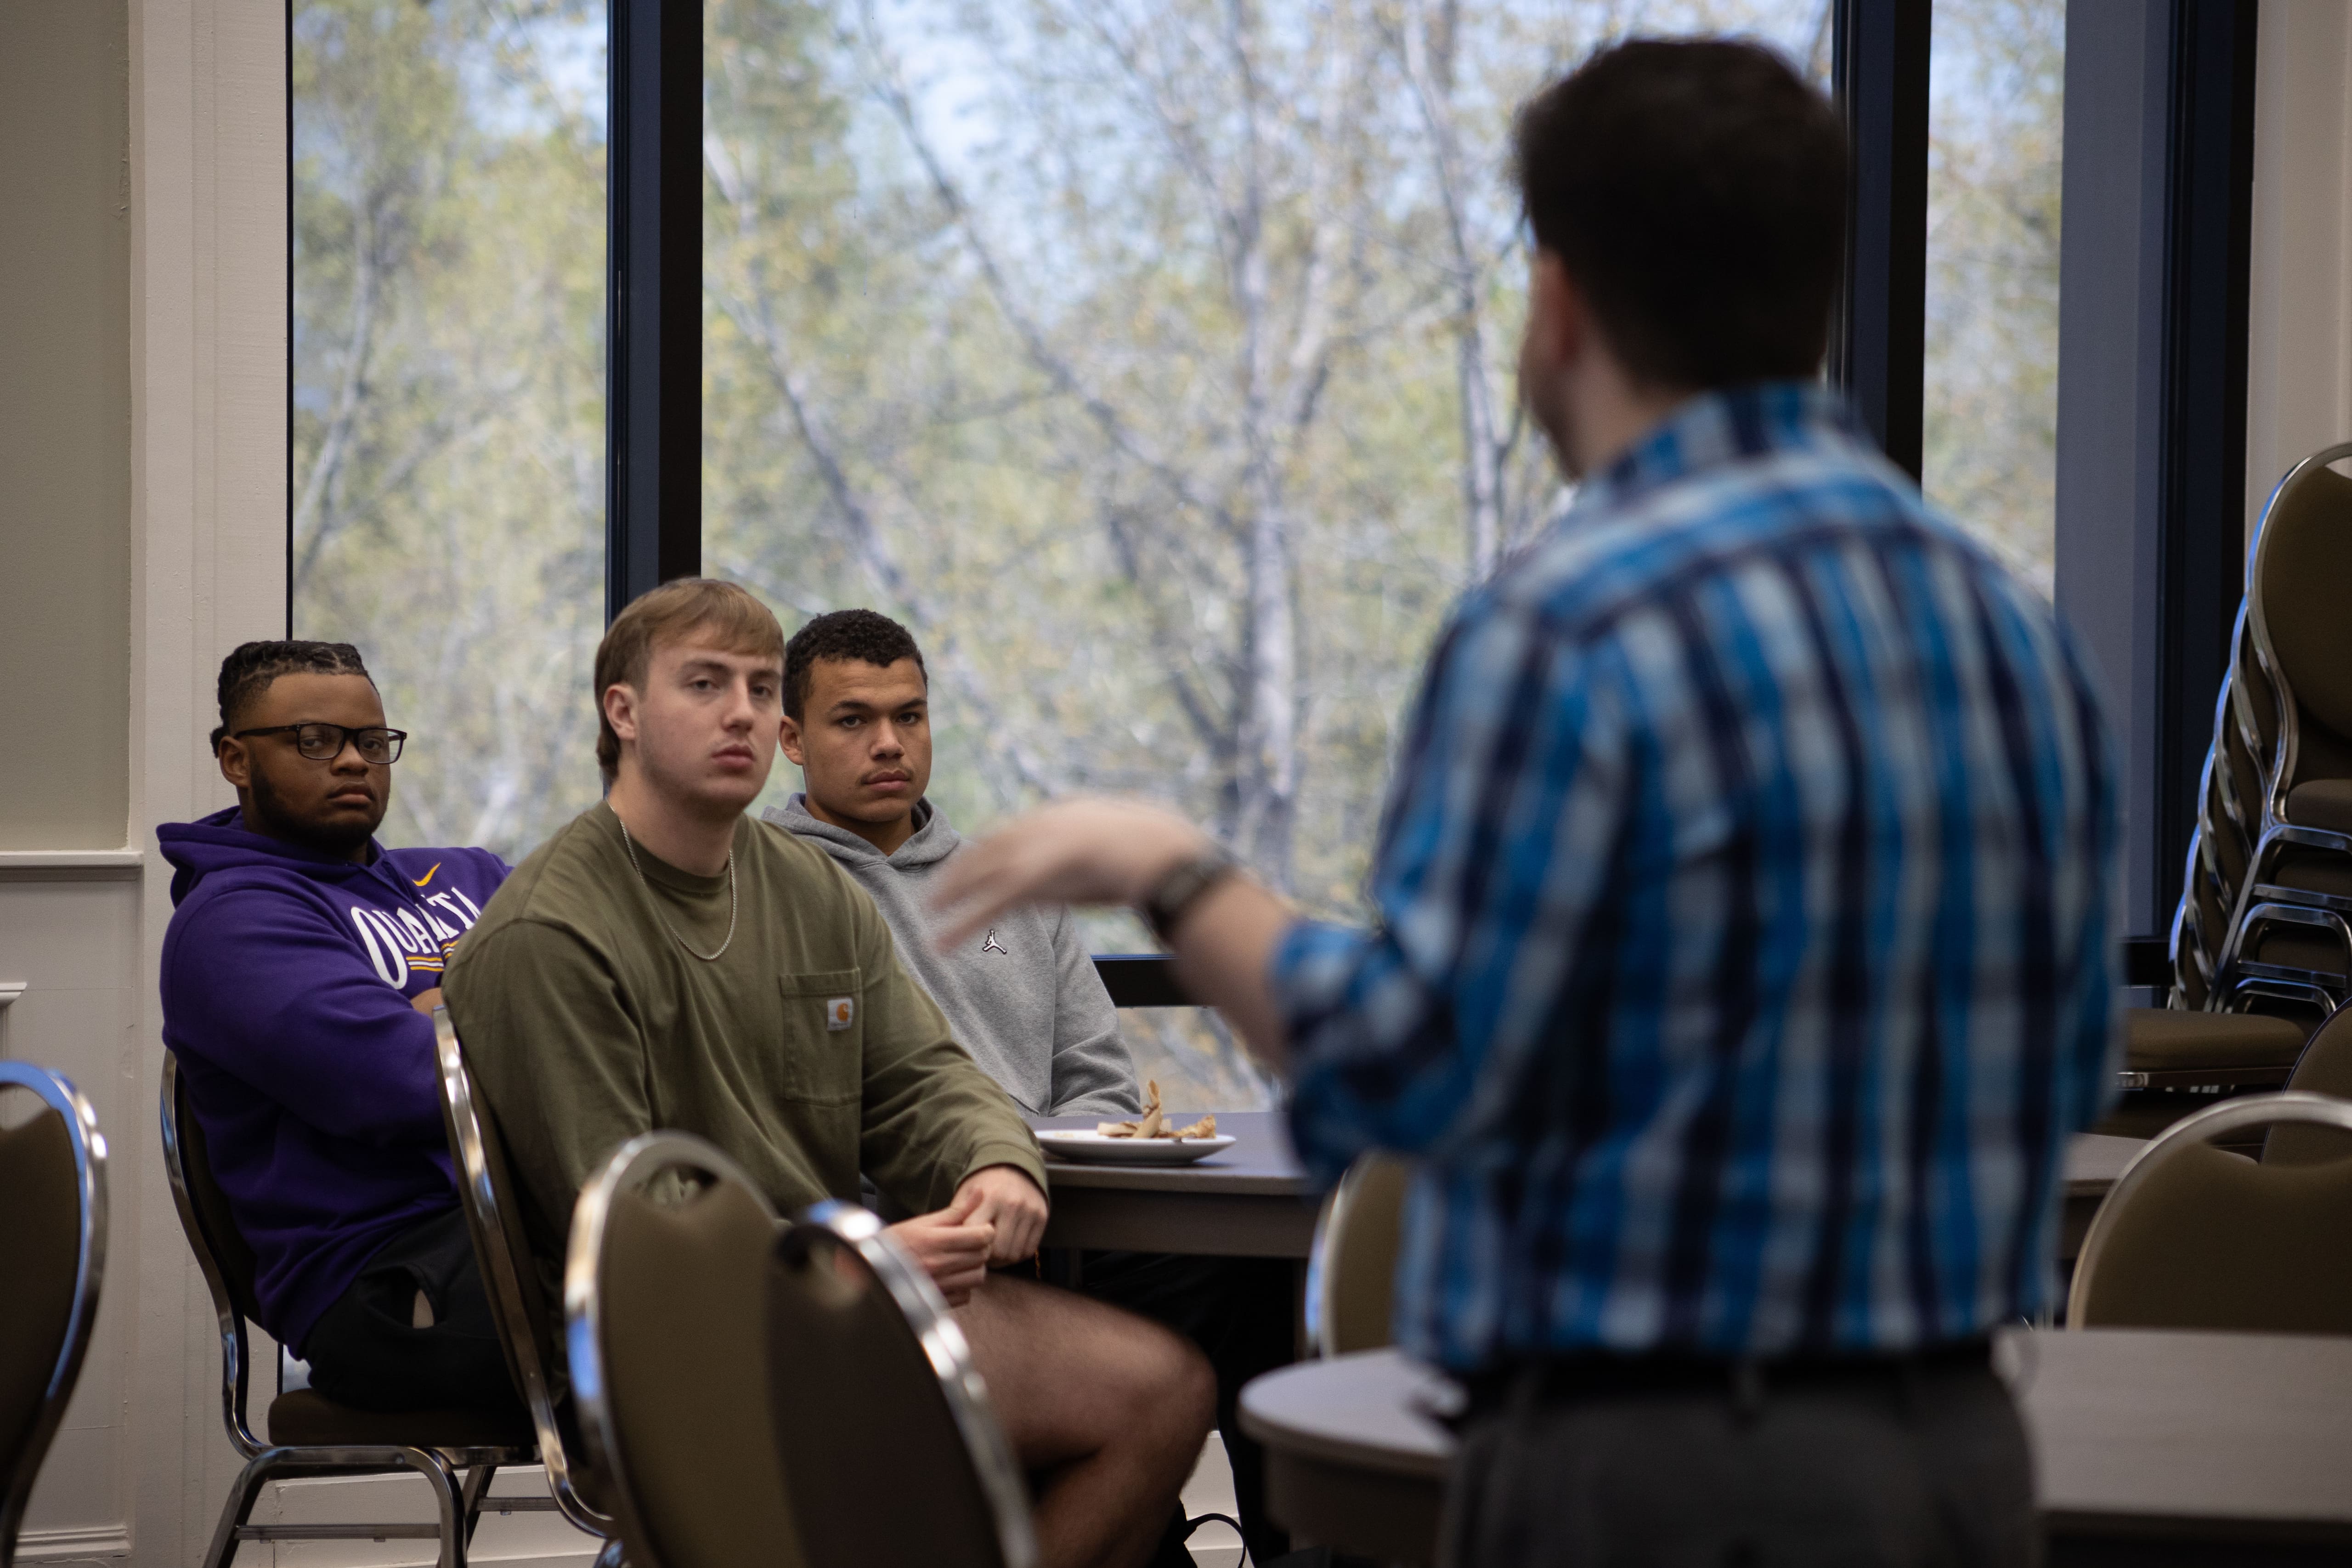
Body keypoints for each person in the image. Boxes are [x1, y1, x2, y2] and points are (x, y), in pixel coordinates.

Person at [931, 38, 2119, 1568]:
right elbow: (2076, 1054)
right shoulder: (2012, 633)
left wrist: (1171, 871)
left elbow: (1408, 1069)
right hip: (1961, 1459)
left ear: (1557, 304)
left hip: (1648, 1481)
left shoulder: (1565, 629)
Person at [443, 578, 1213, 1568]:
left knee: (1174, 1369)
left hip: (825, 1303)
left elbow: (921, 1074)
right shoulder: (550, 931)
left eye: (762, 690)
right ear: (623, 713)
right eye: (706, 684)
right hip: (687, 1356)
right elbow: (640, 1236)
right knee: (1155, 1390)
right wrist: (853, 1264)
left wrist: (993, 1160)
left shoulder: (801, 882)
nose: (742, 715)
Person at [764, 607, 1299, 1566]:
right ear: (792, 741)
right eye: (852, 720)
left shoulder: (1010, 880)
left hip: (1068, 1217)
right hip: (918, 1236)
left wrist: (1040, 1162)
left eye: (910, 715)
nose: (889, 743)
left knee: (1269, 1279)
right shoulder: (768, 885)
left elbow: (1098, 1082)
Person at [158, 640, 520, 1416]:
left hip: (526, 1221)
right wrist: (516, 1003)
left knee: (778, 1268)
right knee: (708, 1317)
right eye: (314, 741)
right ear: (235, 759)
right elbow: (409, 1086)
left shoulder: (473, 876)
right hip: (386, 1276)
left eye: (370, 741)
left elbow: (627, 1008)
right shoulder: (229, 924)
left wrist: (444, 1008)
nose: (354, 761)